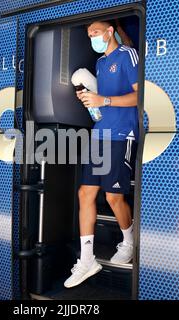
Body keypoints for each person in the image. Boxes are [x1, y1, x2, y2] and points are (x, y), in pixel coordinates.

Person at [64, 19, 140, 288]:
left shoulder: (128, 55)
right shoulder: (98, 64)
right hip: (100, 132)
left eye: (95, 33)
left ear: (110, 32)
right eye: (89, 35)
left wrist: (104, 100)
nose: (92, 38)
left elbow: (140, 96)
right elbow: (101, 99)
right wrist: (90, 101)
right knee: (85, 193)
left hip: (121, 134)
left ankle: (129, 242)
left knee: (113, 196)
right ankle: (87, 261)